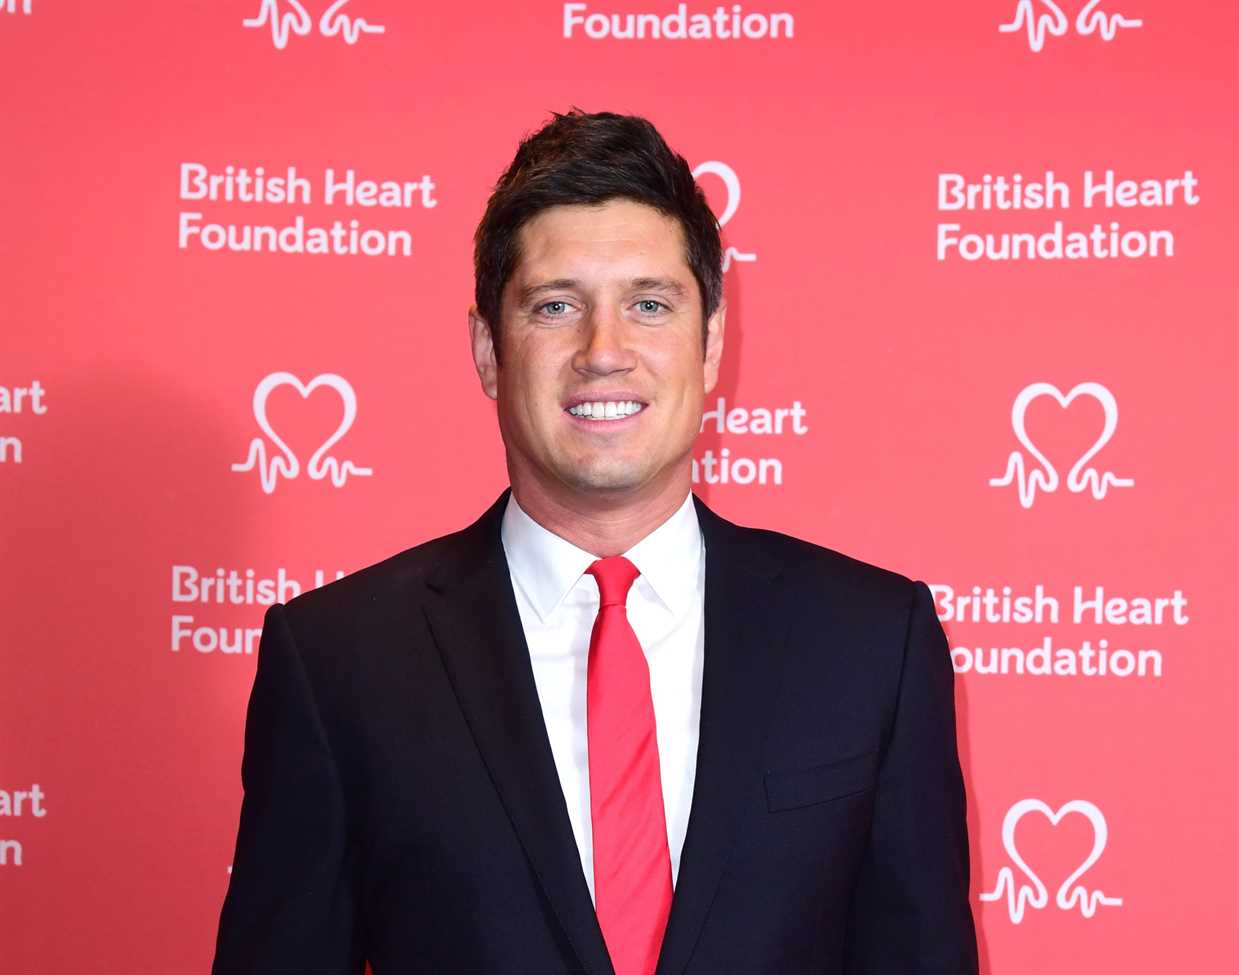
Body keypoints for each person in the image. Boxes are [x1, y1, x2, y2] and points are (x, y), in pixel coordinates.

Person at [211, 109, 979, 975]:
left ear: (712, 341)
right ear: (488, 350)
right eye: (555, 306)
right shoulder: (338, 661)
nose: (603, 351)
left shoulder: (874, 641)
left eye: (649, 304)